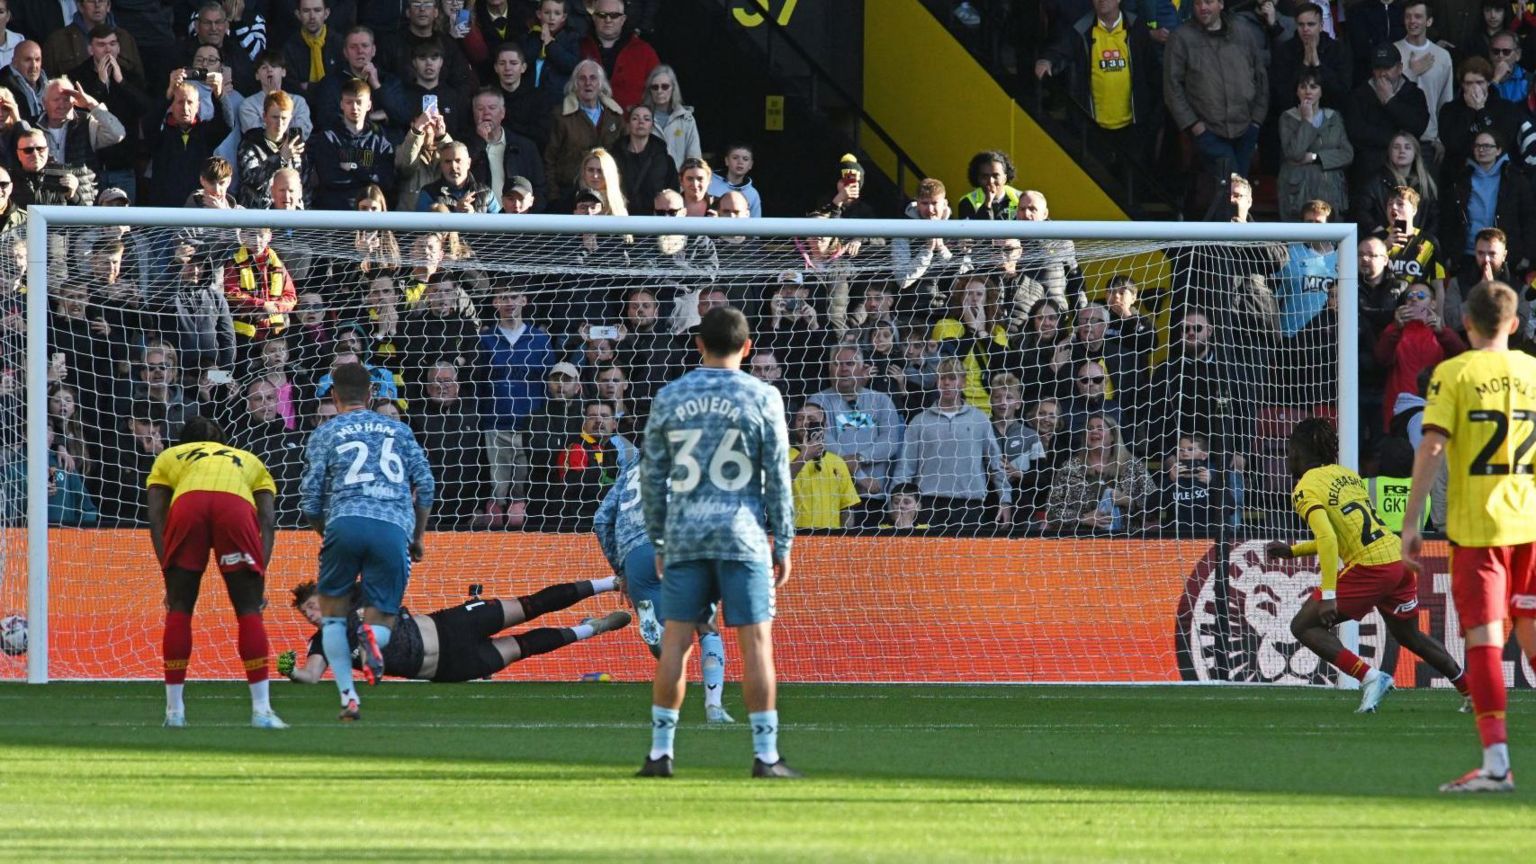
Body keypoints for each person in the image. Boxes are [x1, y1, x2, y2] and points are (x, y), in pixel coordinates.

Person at [636, 306, 799, 779]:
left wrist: (660, 540)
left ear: (698, 344)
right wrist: (783, 541)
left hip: (686, 536)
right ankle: (766, 757)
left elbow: (652, 476)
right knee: (756, 646)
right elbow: (777, 479)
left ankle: (660, 753)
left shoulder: (670, 394)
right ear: (748, 348)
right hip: (742, 535)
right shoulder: (763, 395)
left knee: (675, 645)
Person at [1402, 280, 1536, 793]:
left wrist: (1412, 522)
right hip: (1529, 526)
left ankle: (1497, 764)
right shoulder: (1531, 372)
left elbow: (1432, 447)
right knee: (1530, 636)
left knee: (1484, 640)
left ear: (1466, 323)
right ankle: (1496, 767)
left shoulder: (1453, 373)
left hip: (1479, 530)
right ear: (1515, 324)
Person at [1265, 418, 1470, 713]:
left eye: (1289, 451)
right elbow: (1341, 532)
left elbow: (1327, 539)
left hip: (1372, 566)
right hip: (1397, 559)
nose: (1288, 458)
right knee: (1409, 635)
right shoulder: (1347, 475)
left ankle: (1370, 677)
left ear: (1298, 452)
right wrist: (1294, 551)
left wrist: (1329, 593)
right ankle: (1469, 689)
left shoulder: (1305, 487)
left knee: (1303, 625)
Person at [299, 361, 435, 721]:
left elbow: (310, 499)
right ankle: (371, 638)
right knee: (381, 618)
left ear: (334, 395)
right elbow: (427, 486)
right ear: (372, 394)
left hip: (344, 524)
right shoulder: (398, 430)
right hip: (392, 528)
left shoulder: (326, 432)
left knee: (331, 619)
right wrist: (417, 536)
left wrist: (326, 532)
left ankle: (349, 697)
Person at [145, 415, 285, 730]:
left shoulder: (169, 457)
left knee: (180, 609)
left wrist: (168, 572)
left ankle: (174, 713)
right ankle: (261, 711)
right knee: (248, 610)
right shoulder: (249, 459)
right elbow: (267, 521)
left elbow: (156, 517)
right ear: (223, 441)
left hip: (188, 505)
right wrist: (258, 577)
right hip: (234, 506)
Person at [593, 437, 736, 723]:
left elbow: (600, 520)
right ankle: (714, 705)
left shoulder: (630, 473)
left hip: (637, 557)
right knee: (706, 627)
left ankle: (656, 632)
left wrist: (621, 571)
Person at [280, 576, 631, 683]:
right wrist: (292, 672)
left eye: (311, 605)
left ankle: (611, 582)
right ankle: (590, 630)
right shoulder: (324, 642)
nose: (310, 615)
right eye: (304, 613)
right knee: (524, 647)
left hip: (451, 624)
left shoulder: (354, 593)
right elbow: (311, 676)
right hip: (450, 667)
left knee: (529, 606)